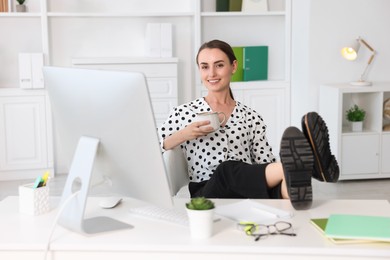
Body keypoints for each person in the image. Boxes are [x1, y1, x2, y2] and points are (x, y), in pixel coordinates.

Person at [158, 39, 339, 210]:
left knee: (284, 184)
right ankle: (312, 166)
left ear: (233, 66)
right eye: (205, 67)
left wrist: (277, 172)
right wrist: (184, 134)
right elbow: (152, 148)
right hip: (207, 193)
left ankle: (295, 185)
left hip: (246, 189)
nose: (211, 73)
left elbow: (265, 163)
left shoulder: (251, 117)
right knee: (227, 169)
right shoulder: (184, 113)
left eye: (219, 65)